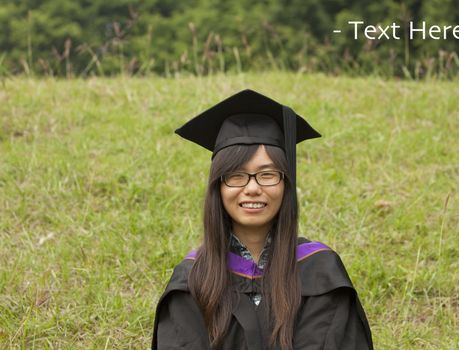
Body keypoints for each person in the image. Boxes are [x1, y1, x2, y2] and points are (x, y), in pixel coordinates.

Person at [152, 89, 373, 350]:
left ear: (285, 184)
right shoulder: (191, 282)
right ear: (218, 188)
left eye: (267, 174)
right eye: (236, 175)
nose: (253, 188)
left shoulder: (320, 274)